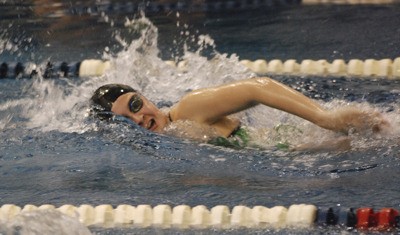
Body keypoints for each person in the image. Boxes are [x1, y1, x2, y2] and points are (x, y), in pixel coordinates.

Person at [90, 77, 389, 150]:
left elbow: (258, 88)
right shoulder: (165, 141)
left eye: (134, 106)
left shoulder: (187, 110)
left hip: (293, 145)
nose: (139, 118)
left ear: (144, 96)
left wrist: (325, 118)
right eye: (126, 120)